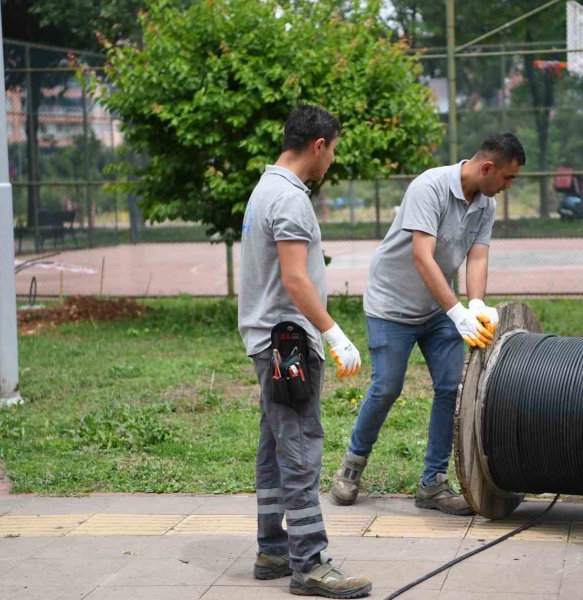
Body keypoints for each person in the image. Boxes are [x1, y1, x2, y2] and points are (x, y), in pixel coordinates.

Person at [331, 133, 526, 515]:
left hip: (438, 309)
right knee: (387, 387)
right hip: (391, 307)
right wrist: (457, 313)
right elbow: (423, 257)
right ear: (487, 168)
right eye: (507, 178)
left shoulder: (484, 203)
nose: (508, 186)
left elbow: (478, 257)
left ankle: (432, 483)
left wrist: (477, 305)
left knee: (450, 388)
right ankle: (351, 467)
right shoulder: (430, 187)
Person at [238, 104, 371, 598]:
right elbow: (294, 278)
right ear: (318, 145)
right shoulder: (291, 200)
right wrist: (334, 332)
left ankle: (273, 549)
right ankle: (310, 563)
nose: (331, 160)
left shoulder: (264, 189)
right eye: (333, 150)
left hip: (267, 339)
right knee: (298, 447)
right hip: (288, 344)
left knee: (275, 448)